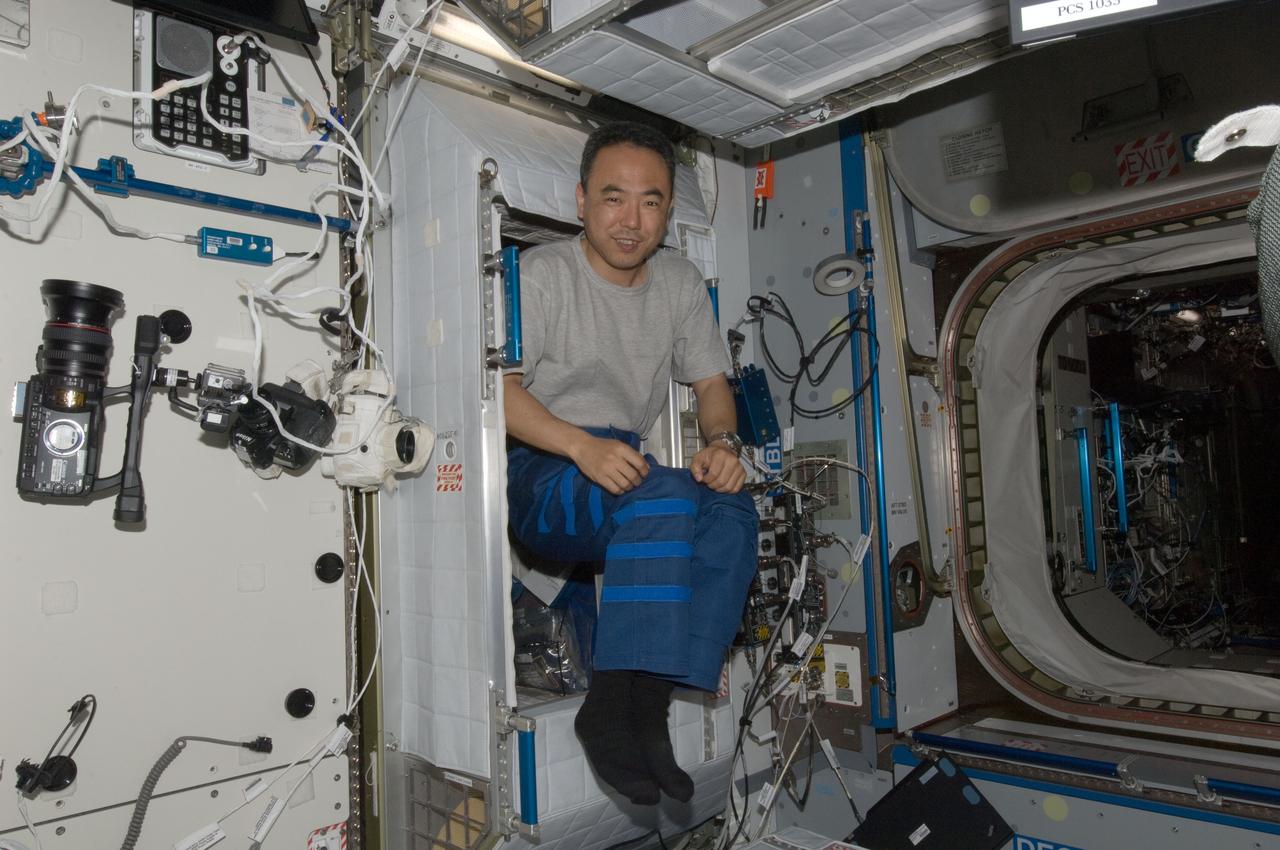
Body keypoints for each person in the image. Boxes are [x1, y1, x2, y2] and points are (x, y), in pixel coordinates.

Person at [503, 121, 758, 806]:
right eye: (613, 198)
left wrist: (723, 446)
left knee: (731, 511)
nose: (630, 220)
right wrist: (578, 445)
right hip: (544, 463)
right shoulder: (542, 274)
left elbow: (712, 385)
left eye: (651, 202)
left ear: (667, 212)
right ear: (581, 200)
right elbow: (499, 391)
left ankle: (646, 705)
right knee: (663, 494)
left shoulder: (678, 281)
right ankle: (613, 706)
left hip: (623, 461)